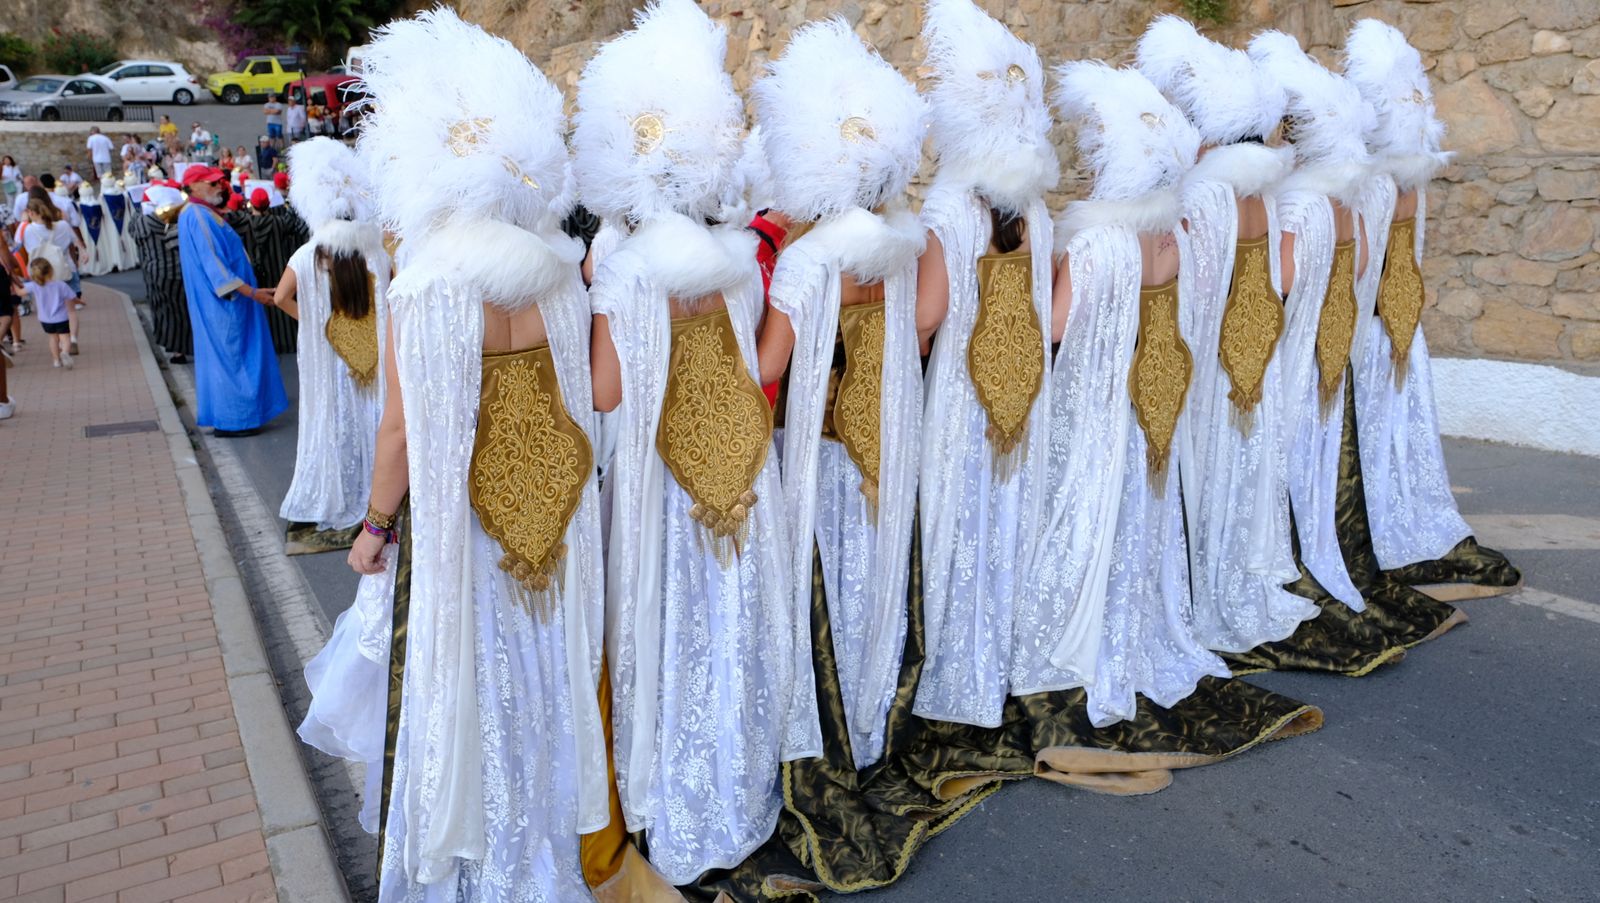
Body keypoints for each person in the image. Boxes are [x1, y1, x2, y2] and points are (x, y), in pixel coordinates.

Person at [334, 8, 623, 899]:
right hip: (556, 518)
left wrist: (375, 525)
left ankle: (481, 869)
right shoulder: (559, 276)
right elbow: (597, 398)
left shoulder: (425, 285)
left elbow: (402, 433)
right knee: (546, 683)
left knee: (470, 686)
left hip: (465, 529)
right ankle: (548, 856)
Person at [580, 0, 820, 885]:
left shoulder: (626, 261)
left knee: (664, 628)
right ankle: (742, 784)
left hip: (657, 481)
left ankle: (674, 802)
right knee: (727, 626)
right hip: (740, 467)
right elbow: (760, 361)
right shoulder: (731, 257)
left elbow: (605, 390)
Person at [753, 16, 927, 775]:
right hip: (883, 439)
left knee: (824, 585)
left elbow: (767, 363)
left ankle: (828, 722)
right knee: (875, 573)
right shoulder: (899, 247)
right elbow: (911, 340)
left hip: (818, 452)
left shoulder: (804, 262)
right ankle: (877, 712)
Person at [1133, 17, 1321, 657]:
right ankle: (1239, 575)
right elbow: (1275, 275)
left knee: (1203, 472)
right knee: (1243, 467)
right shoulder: (1261, 189)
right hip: (1252, 353)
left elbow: (1190, 282)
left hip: (1205, 356)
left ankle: (1200, 595)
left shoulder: (1205, 186)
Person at [913, 0, 1057, 730]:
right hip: (1021, 393)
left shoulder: (948, 209)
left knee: (955, 523)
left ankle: (951, 671)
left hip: (961, 401)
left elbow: (927, 316)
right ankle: (1001, 658)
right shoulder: (1037, 209)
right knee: (1005, 519)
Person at [1343, 19, 1520, 596]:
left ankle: (1381, 528)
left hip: (1369, 331)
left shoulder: (1371, 185)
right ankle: (1406, 516)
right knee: (1399, 429)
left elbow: (1360, 268)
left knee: (1371, 434)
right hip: (1401, 329)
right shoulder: (1411, 183)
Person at [270, 137, 388, 553]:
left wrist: (317, 326)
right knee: (373, 425)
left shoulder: (306, 255)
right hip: (371, 358)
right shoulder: (376, 253)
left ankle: (338, 497)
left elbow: (281, 297)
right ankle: (379, 501)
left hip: (328, 360)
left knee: (334, 427)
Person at [175, 164, 286, 436]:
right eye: (211, 184)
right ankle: (236, 420)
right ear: (194, 186)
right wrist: (252, 293)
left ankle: (237, 417)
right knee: (233, 359)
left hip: (227, 301)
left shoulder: (202, 213)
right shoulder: (197, 216)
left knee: (230, 359)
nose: (218, 187)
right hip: (225, 304)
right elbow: (216, 268)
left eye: (218, 183)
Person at [16, 195, 84, 353]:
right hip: (63, 271)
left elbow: (15, 245)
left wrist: (23, 221)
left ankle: (59, 342)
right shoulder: (62, 225)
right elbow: (77, 242)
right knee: (70, 310)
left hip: (40, 274)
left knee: (49, 307)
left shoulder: (26, 229)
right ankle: (71, 339)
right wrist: (83, 252)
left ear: (31, 212)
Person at [22, 258, 75, 368]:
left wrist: (12, 279)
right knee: (65, 337)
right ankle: (65, 352)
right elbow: (72, 297)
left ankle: (56, 361)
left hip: (45, 319)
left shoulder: (33, 285)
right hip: (61, 318)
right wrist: (81, 301)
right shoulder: (60, 285)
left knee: (53, 338)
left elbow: (19, 292)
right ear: (51, 270)